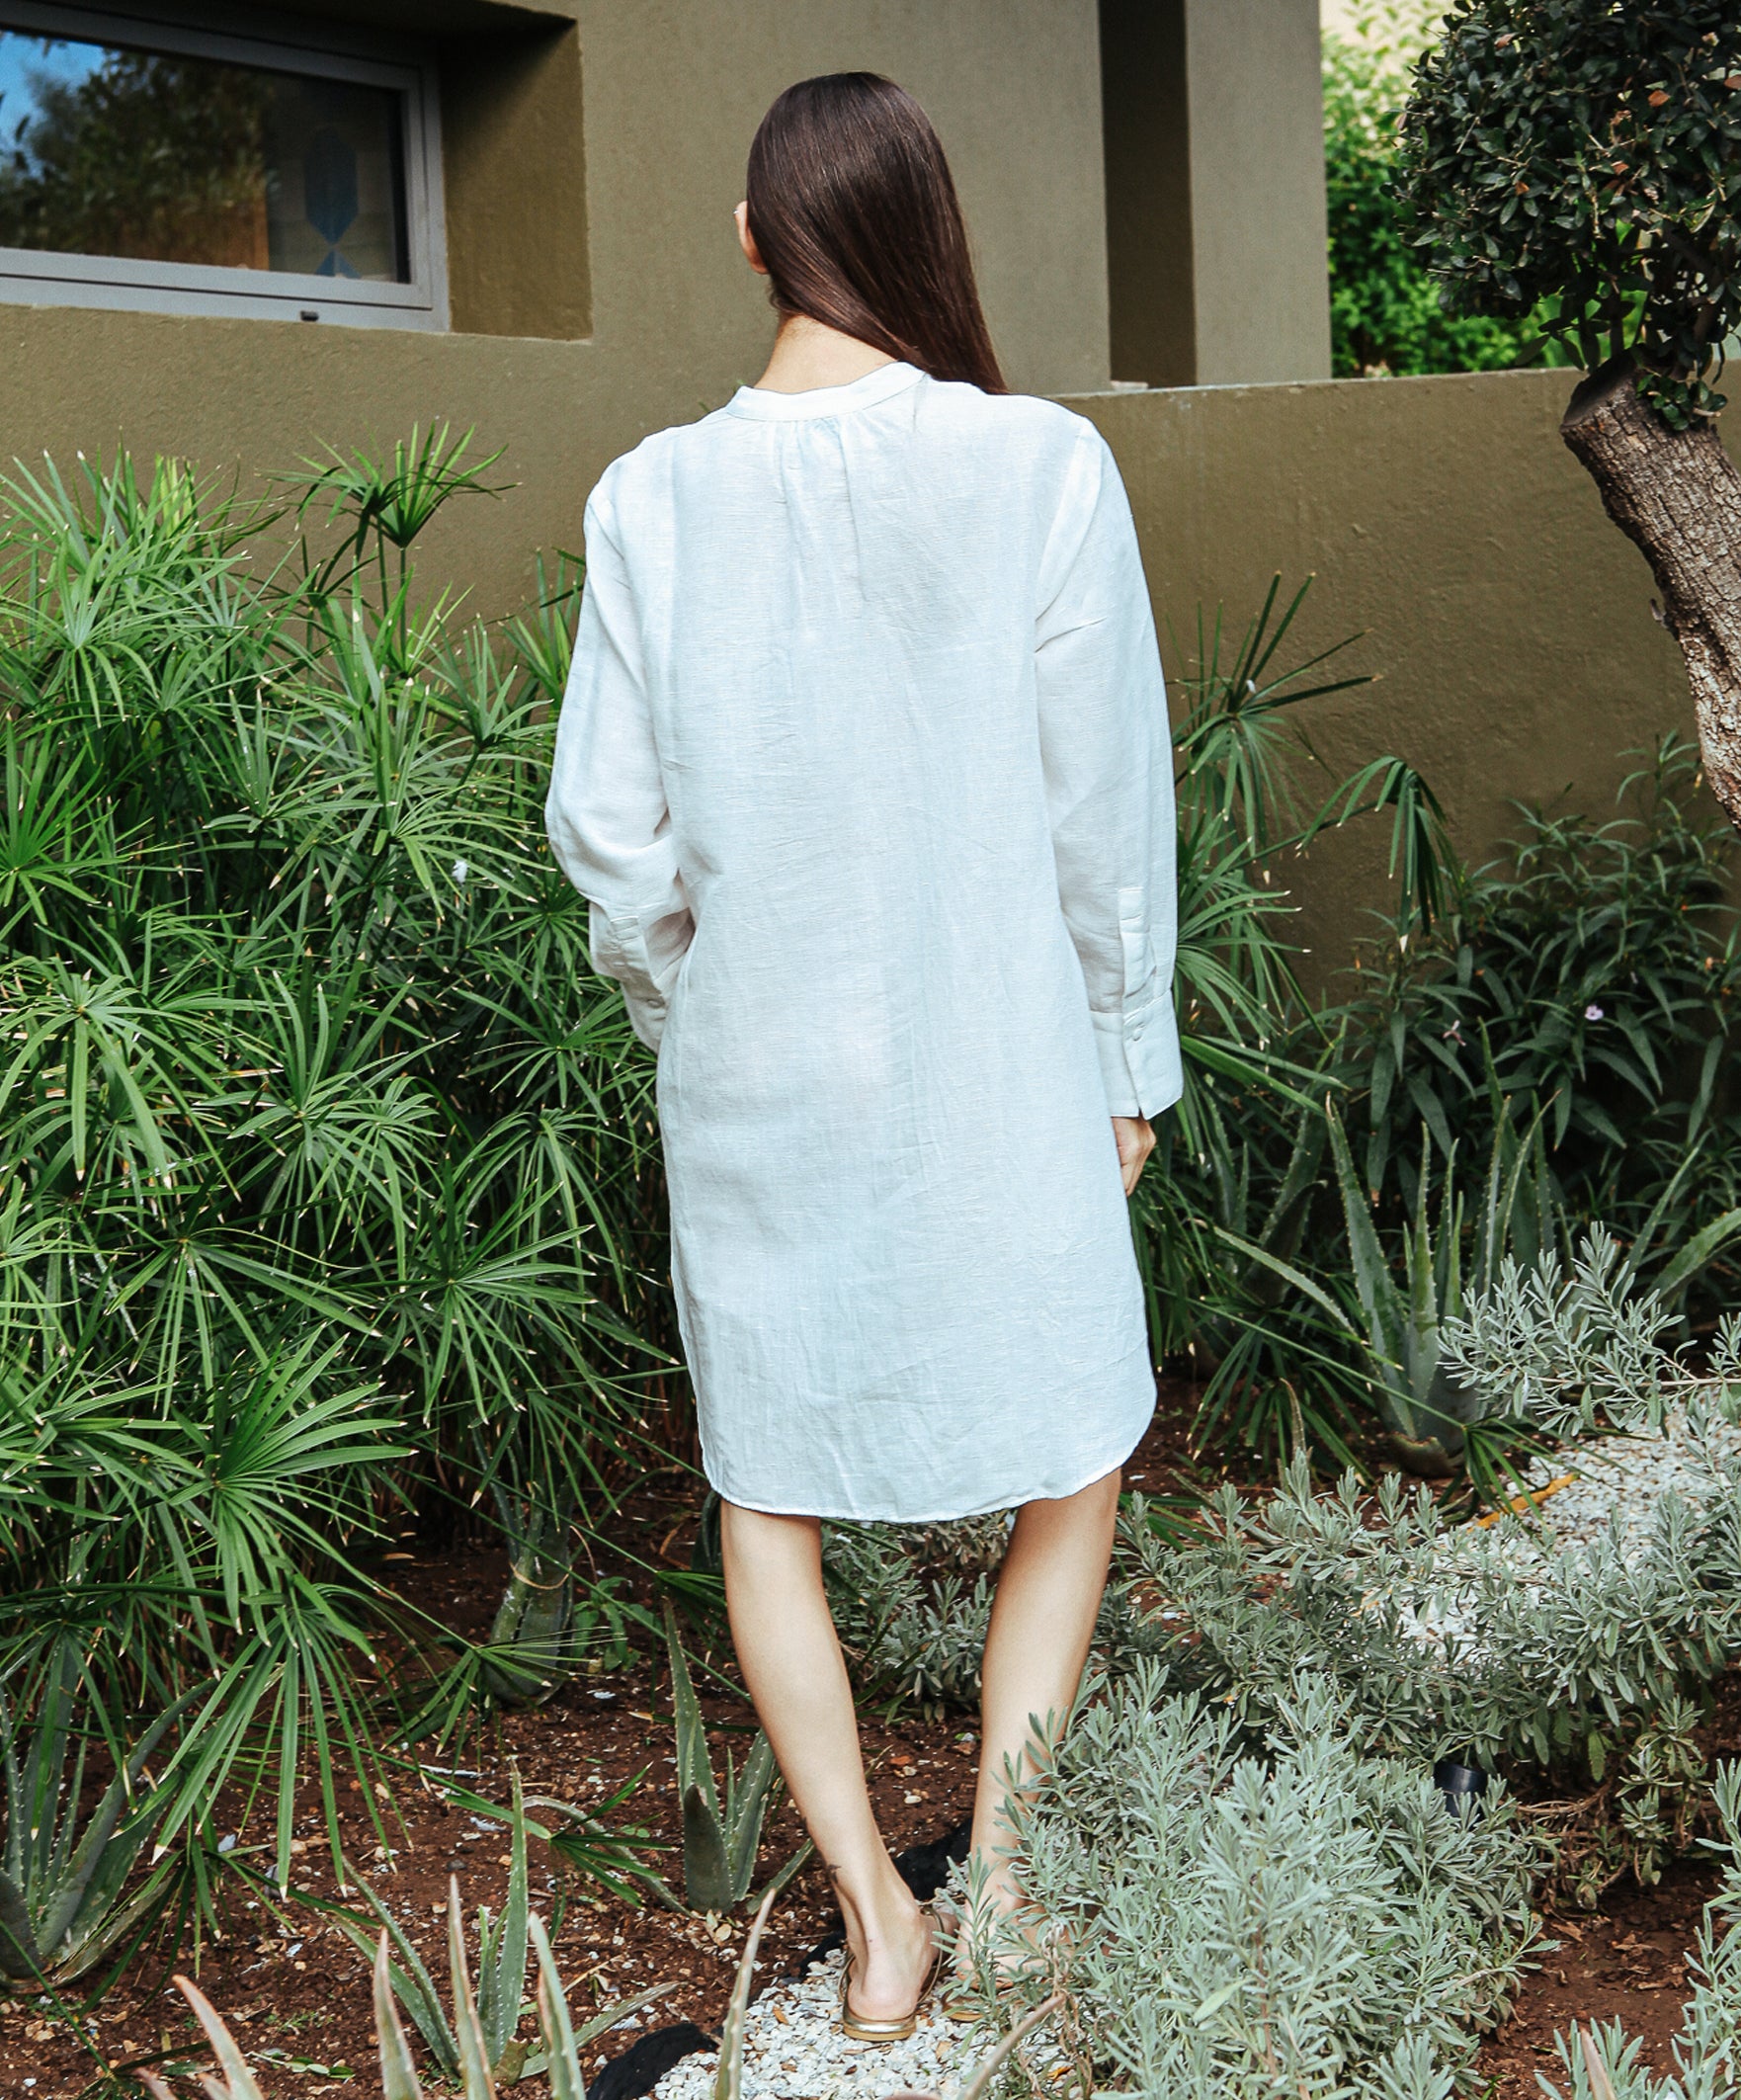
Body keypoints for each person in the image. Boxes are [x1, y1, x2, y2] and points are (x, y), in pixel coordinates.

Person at [545, 71, 1179, 2042]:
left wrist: (689, 1013)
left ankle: (874, 1928)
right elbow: (1104, 815)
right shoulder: (1040, 470)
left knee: (767, 1490)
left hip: (757, 1083)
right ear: (927, 235)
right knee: (1073, 1455)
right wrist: (1121, 1053)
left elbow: (610, 840)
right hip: (1004, 1071)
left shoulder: (647, 496)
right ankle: (993, 1877)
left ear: (750, 243)